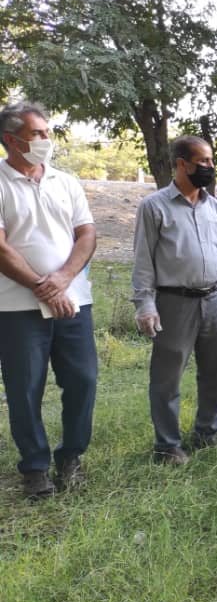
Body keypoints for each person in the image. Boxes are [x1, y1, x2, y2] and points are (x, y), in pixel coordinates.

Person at [0, 102, 97, 499]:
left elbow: (87, 235)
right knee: (25, 389)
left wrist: (62, 280)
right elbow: (1, 249)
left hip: (74, 303)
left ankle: (70, 456)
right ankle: (35, 468)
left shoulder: (65, 181)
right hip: (17, 309)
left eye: (46, 133)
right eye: (37, 134)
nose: (46, 140)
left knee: (83, 380)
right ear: (10, 140)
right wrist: (44, 287)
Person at [132, 136, 217, 464]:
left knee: (214, 372)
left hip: (216, 299)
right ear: (182, 163)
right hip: (175, 302)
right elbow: (142, 260)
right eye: (203, 161)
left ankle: (207, 433)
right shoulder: (154, 206)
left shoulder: (215, 206)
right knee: (167, 378)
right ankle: (167, 446)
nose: (210, 167)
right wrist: (145, 304)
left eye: (211, 161)